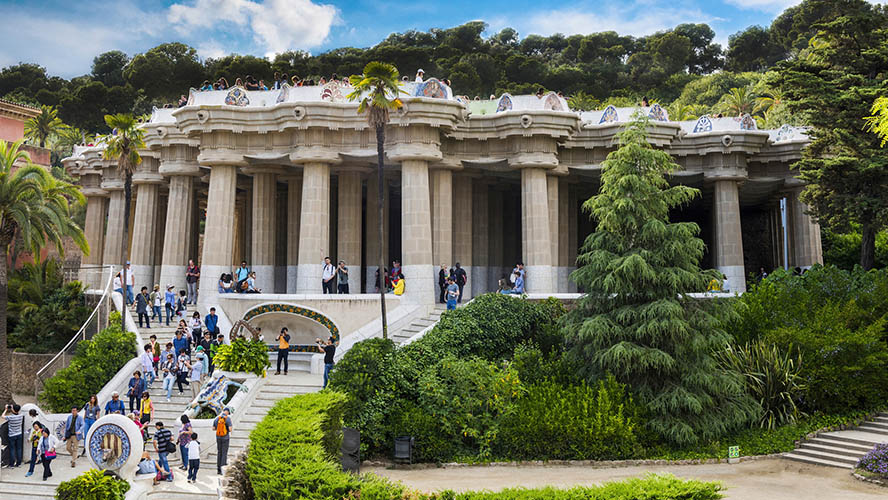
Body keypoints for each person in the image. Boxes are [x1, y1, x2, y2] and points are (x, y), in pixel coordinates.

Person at [213, 408, 233, 475]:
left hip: (218, 437)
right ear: (227, 412)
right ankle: (222, 469)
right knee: (224, 453)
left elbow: (213, 428)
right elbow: (230, 429)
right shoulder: (228, 419)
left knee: (219, 452)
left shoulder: (217, 418)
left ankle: (218, 469)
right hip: (225, 438)